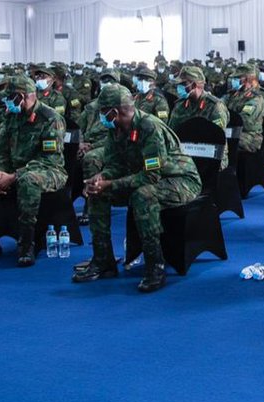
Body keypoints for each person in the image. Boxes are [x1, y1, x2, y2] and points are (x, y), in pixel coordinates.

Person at [75, 86, 201, 291]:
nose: (99, 116)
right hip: (146, 177)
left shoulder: (149, 127)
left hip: (180, 180)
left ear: (114, 111)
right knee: (97, 194)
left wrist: (111, 184)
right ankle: (103, 260)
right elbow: (114, 164)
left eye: (102, 111)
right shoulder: (115, 128)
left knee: (143, 196)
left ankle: (155, 266)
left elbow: (151, 175)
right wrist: (101, 178)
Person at [0, 75, 67, 267]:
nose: (7, 102)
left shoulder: (50, 118)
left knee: (28, 181)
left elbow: (48, 159)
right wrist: (0, 174)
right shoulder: (11, 117)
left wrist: (14, 177)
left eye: (10, 97)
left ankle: (26, 244)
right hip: (12, 171)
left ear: (23, 96)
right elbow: (2, 153)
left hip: (48, 170)